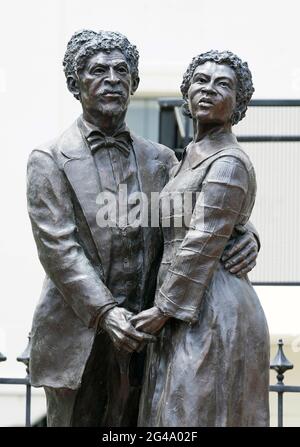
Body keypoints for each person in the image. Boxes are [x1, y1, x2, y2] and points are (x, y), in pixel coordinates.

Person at [27, 31, 260, 427]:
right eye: (98, 71)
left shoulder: (163, 158)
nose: (112, 79)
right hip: (83, 332)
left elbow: (202, 207)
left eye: (123, 71)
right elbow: (59, 249)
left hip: (147, 334)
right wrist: (106, 313)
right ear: (75, 84)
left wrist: (248, 233)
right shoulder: (48, 159)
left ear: (134, 84)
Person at [133, 50, 270, 427]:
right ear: (187, 93)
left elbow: (203, 239)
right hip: (182, 305)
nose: (208, 89)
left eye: (222, 84)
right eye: (200, 80)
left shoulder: (229, 161)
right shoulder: (187, 157)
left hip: (210, 308)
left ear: (239, 103)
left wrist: (163, 309)